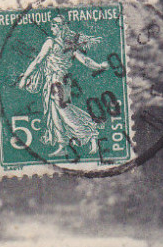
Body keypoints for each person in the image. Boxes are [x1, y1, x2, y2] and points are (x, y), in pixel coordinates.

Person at [16, 16, 110, 156]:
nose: (52, 28)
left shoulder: (51, 43)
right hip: (61, 82)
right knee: (55, 113)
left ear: (59, 28)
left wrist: (25, 77)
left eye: (54, 26)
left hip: (56, 82)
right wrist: (99, 66)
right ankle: (63, 145)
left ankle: (89, 132)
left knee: (63, 112)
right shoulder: (69, 45)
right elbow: (85, 60)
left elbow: (37, 61)